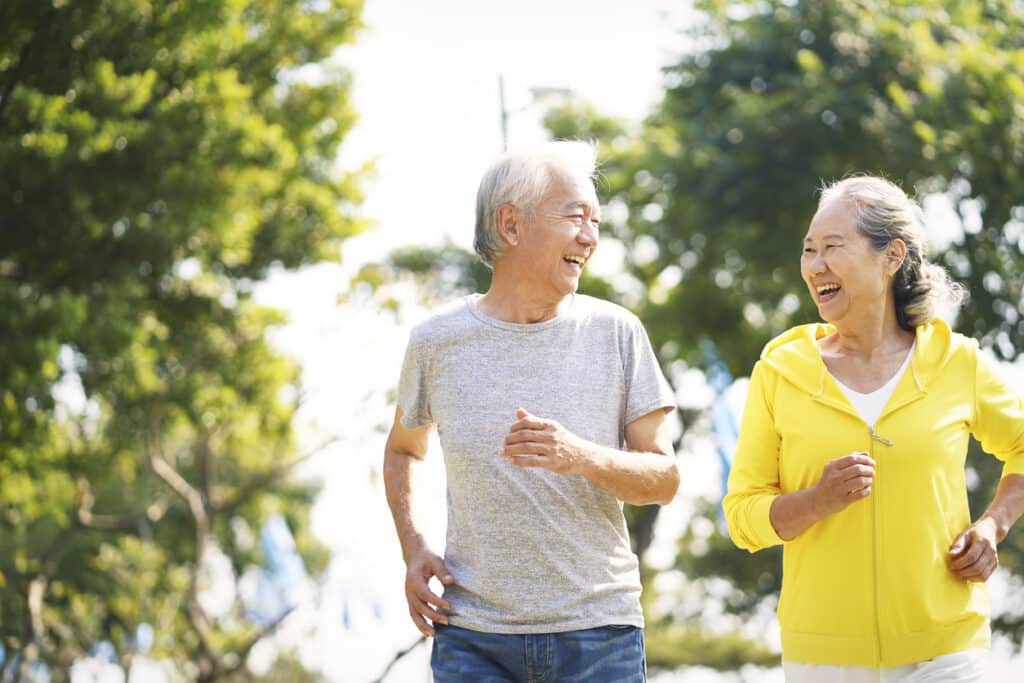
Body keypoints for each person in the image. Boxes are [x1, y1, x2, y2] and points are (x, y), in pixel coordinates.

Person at [383, 140, 679, 682]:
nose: (590, 237)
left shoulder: (616, 332)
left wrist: (581, 456)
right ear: (511, 225)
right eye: (575, 217)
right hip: (473, 639)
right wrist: (414, 547)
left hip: (599, 637)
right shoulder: (435, 342)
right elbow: (405, 450)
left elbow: (663, 478)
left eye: (596, 220)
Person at [724, 176, 1024, 682]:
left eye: (833, 247)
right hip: (823, 658)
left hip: (947, 649)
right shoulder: (779, 371)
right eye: (809, 250)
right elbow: (742, 516)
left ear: (891, 257)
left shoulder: (956, 361)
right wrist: (817, 500)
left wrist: (992, 525)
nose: (815, 265)